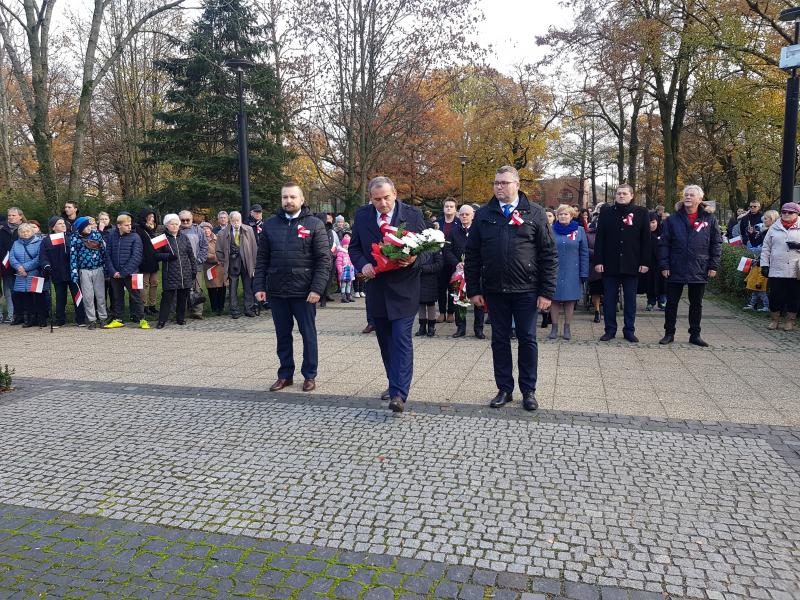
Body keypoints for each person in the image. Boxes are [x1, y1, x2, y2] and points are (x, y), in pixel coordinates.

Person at [465, 165, 557, 411]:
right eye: (496, 183)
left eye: (504, 183)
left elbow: (548, 254)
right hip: (495, 290)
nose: (499, 187)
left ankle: (528, 391)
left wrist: (546, 292)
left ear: (517, 184)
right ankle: (504, 388)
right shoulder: (484, 214)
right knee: (499, 340)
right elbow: (472, 255)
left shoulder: (535, 212)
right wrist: (473, 289)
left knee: (527, 339)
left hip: (527, 289)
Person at [349, 176, 428, 412]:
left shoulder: (412, 215)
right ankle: (394, 383)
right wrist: (363, 264)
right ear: (370, 198)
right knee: (385, 341)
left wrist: (413, 259)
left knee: (401, 339)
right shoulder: (362, 216)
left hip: (405, 289)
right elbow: (354, 248)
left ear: (395, 194)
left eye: (386, 198)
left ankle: (399, 394)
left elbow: (429, 251)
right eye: (377, 199)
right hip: (377, 288)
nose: (383, 204)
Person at [254, 183, 331, 392]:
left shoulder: (315, 224)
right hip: (277, 290)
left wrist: (317, 289)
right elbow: (262, 259)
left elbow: (324, 260)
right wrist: (259, 286)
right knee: (282, 335)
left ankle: (309, 375)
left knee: (308, 334)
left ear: (302, 199)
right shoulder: (270, 225)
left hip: (304, 292)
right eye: (285, 197)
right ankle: (285, 375)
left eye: (292, 197)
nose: (288, 201)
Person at [658, 185, 722, 346]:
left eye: (691, 195)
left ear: (700, 199)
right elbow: (664, 244)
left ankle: (695, 334)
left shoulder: (709, 219)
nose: (687, 197)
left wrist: (713, 266)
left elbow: (716, 243)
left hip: (699, 266)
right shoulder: (672, 219)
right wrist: (664, 265)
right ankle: (669, 333)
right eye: (686, 194)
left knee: (696, 303)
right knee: (671, 303)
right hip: (675, 266)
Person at [594, 184, 651, 342]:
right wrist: (598, 260)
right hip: (610, 263)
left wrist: (645, 262)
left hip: (632, 262)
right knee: (609, 299)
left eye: (625, 193)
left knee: (630, 300)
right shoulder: (606, 212)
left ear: (632, 196)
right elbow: (600, 238)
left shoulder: (641, 212)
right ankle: (610, 330)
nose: (621, 196)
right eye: (619, 193)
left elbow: (646, 239)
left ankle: (629, 330)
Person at [444, 204, 485, 339]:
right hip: (459, 271)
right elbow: (447, 250)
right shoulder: (453, 232)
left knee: (479, 299)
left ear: (473, 215)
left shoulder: (479, 230)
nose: (464, 216)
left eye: (467, 214)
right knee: (459, 299)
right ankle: (460, 328)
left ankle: (478, 329)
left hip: (476, 271)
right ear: (458, 215)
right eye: (462, 214)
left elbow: (484, 248)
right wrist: (456, 263)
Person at [549, 205, 589, 341]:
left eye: (565, 214)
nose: (563, 216)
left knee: (570, 300)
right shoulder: (550, 230)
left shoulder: (580, 230)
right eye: (560, 214)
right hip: (554, 270)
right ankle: (554, 327)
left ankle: (567, 327)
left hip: (573, 271)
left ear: (571, 216)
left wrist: (584, 272)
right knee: (554, 299)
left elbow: (584, 253)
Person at [760, 201, 800, 331]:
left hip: (796, 269)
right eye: (784, 212)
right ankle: (775, 320)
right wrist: (764, 265)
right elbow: (766, 248)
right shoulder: (774, 227)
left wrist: (798, 246)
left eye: (790, 212)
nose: (787, 214)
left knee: (794, 296)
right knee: (775, 296)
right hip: (777, 268)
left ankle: (790, 321)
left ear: (797, 213)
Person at [40, 217, 86, 327]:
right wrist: (46, 265)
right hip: (57, 272)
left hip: (72, 271)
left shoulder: (72, 237)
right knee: (60, 297)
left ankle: (80, 319)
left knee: (77, 295)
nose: (63, 225)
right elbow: (43, 256)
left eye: (63, 223)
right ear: (53, 227)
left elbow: (80, 252)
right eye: (59, 223)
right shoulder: (47, 240)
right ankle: (60, 319)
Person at [104, 214, 147, 329]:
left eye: (130, 224)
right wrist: (113, 271)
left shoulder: (135, 237)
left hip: (132, 273)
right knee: (117, 297)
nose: (129, 227)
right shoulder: (111, 236)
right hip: (115, 274)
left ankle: (142, 319)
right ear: (119, 226)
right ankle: (118, 319)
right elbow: (107, 255)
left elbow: (136, 257)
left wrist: (123, 273)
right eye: (126, 225)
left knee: (136, 296)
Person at [155, 214, 197, 329]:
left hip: (185, 272)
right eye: (172, 224)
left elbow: (191, 255)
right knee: (167, 298)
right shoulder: (161, 238)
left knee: (183, 297)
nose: (174, 226)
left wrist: (193, 269)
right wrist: (168, 256)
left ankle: (180, 318)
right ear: (167, 225)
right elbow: (155, 255)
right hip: (170, 273)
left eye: (176, 224)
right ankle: (162, 320)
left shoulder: (184, 237)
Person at [69, 216, 109, 330]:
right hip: (84, 270)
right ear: (80, 228)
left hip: (98, 268)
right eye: (85, 226)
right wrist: (74, 273)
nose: (88, 228)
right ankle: (91, 320)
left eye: (89, 225)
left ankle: (103, 318)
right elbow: (73, 257)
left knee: (100, 295)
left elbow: (103, 252)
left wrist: (106, 269)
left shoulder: (96, 235)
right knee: (88, 297)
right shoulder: (75, 238)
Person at [216, 211, 257, 319]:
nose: (236, 223)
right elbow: (218, 250)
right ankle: (234, 310)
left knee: (248, 286)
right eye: (233, 221)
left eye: (238, 220)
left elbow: (254, 248)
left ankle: (249, 308)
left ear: (241, 220)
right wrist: (224, 261)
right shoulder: (222, 233)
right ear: (230, 221)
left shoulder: (249, 230)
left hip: (246, 262)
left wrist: (254, 265)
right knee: (233, 287)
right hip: (232, 263)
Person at [9, 222, 46, 327]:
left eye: (27, 231)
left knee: (38, 297)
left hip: (35, 273)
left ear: (32, 232)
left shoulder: (39, 242)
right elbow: (12, 257)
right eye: (22, 232)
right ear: (19, 233)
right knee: (26, 297)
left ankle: (41, 319)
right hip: (21, 275)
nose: (25, 233)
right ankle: (30, 318)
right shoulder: (16, 243)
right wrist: (19, 268)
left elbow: (39, 258)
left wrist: (24, 267)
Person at [743, 209, 777, 312]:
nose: (763, 221)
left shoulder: (774, 232)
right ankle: (756, 304)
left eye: (766, 219)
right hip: (763, 259)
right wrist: (751, 234)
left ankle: (769, 307)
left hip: (771, 261)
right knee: (759, 286)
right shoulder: (765, 231)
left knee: (764, 286)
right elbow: (755, 243)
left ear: (772, 219)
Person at [178, 210, 208, 319]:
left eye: (188, 220)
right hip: (180, 266)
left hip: (196, 265)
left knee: (197, 288)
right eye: (183, 220)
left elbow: (204, 246)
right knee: (182, 289)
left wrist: (199, 260)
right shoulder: (176, 230)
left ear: (192, 219)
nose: (185, 222)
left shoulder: (199, 230)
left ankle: (197, 312)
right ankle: (182, 312)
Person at [435, 197, 458, 323]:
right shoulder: (437, 223)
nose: (449, 208)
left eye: (451, 206)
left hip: (453, 260)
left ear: (455, 209)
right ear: (443, 208)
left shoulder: (458, 222)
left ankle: (451, 312)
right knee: (441, 288)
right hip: (439, 259)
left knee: (453, 288)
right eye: (446, 206)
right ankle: (442, 312)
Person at [416, 235, 444, 337]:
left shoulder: (435, 247)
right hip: (419, 279)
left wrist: (424, 268)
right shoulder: (417, 246)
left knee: (430, 303)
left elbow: (439, 264)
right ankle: (422, 326)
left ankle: (431, 327)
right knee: (421, 303)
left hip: (431, 279)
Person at [135, 208, 160, 316]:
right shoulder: (138, 229)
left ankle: (152, 305)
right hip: (144, 261)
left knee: (154, 283)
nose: (152, 219)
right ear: (145, 217)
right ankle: (144, 306)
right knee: (144, 284)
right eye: (150, 217)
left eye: (153, 217)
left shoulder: (153, 229)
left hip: (153, 260)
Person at [1, 207, 24, 324]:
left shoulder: (24, 229)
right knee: (8, 291)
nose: (10, 217)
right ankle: (11, 315)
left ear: (20, 216)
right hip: (5, 265)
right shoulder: (2, 229)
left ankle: (21, 314)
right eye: (9, 215)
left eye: (13, 215)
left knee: (19, 291)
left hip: (21, 265)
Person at [201, 222, 226, 316]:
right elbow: (204, 254)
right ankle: (214, 308)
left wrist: (221, 258)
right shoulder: (201, 241)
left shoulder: (218, 238)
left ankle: (221, 307)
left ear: (210, 229)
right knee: (212, 288)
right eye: (203, 229)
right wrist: (216, 258)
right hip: (209, 267)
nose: (206, 231)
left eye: (207, 228)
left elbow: (224, 249)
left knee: (222, 287)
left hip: (221, 266)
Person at [586, 203, 604, 323]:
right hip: (594, 266)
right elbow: (585, 249)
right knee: (595, 288)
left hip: (609, 265)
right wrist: (598, 253)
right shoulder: (589, 234)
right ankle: (597, 310)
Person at [645, 211, 666, 311]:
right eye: (649, 223)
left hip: (661, 262)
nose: (651, 225)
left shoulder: (663, 232)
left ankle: (662, 301)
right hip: (649, 263)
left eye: (653, 222)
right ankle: (651, 301)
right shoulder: (644, 234)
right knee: (650, 283)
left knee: (662, 282)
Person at [336, 234, 356, 302]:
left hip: (349, 271)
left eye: (347, 244)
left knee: (349, 284)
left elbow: (351, 262)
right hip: (343, 271)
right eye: (345, 244)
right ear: (342, 245)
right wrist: (340, 271)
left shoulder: (349, 253)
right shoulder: (340, 253)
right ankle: (343, 297)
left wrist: (352, 269)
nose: (346, 246)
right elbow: (338, 263)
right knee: (343, 284)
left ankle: (348, 296)